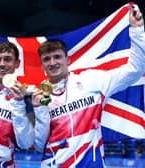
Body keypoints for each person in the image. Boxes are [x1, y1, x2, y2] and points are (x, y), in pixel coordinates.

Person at [32, 4, 145, 168]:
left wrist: (137, 30)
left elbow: (135, 70)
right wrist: (39, 109)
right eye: (47, 59)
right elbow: (39, 144)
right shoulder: (40, 97)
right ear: (42, 66)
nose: (53, 63)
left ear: (68, 60)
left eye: (57, 57)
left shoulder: (93, 81)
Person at [0, 41, 50, 168]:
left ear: (17, 63)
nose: (2, 64)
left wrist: (18, 103)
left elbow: (25, 144)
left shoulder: (27, 96)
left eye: (7, 59)